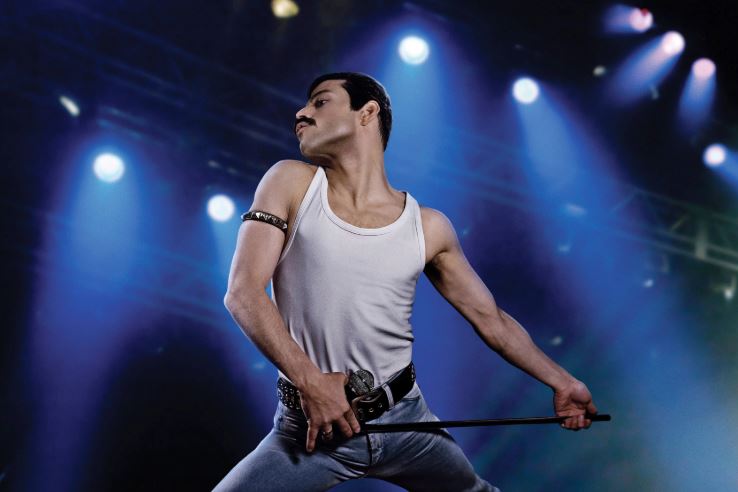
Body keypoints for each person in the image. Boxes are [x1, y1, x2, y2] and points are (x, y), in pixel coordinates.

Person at [214, 72, 597, 491]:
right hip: (311, 430)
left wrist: (563, 382)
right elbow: (243, 293)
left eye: (320, 102)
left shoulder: (428, 227)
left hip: (407, 423)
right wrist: (311, 382)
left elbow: (492, 320)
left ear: (368, 113)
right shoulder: (290, 181)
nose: (300, 113)